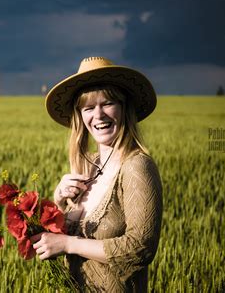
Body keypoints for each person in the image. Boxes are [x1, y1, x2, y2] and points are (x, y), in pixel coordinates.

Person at [31, 57, 163, 292]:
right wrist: (59, 203)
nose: (99, 115)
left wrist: (69, 244)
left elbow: (140, 248)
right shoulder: (88, 166)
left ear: (125, 107)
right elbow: (63, 239)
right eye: (89, 107)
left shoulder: (137, 167)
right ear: (80, 115)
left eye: (108, 103)